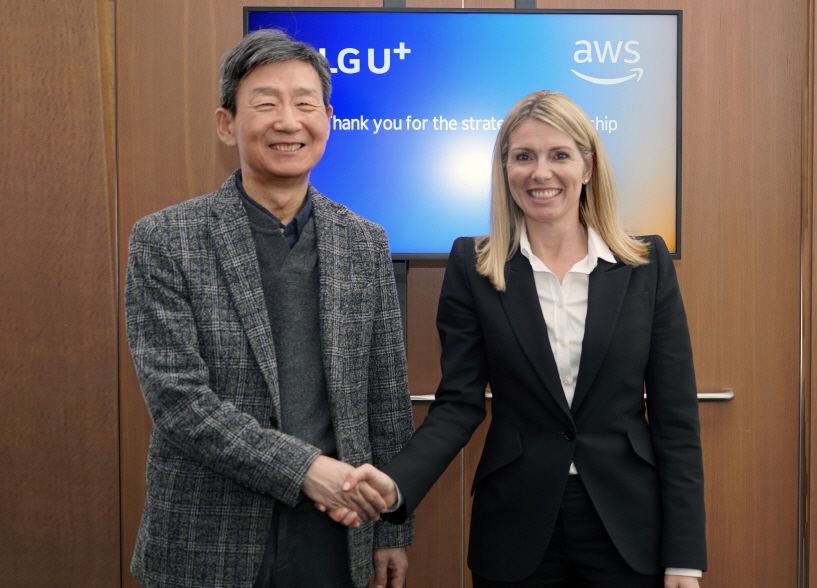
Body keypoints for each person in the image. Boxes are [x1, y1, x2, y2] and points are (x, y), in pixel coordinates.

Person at [341, 91, 707, 587]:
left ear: (587, 167)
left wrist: (684, 557)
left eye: (559, 155)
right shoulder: (473, 266)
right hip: (515, 528)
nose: (540, 172)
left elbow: (675, 417)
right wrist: (396, 483)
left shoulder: (646, 264)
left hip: (629, 528)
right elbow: (458, 406)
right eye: (523, 156)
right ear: (505, 168)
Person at [124, 29, 413, 588]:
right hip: (208, 533)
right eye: (265, 104)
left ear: (328, 119)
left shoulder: (365, 241)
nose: (288, 121)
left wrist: (393, 529)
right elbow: (179, 401)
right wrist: (304, 469)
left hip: (338, 530)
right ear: (226, 123)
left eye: (305, 103)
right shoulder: (165, 239)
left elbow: (385, 396)